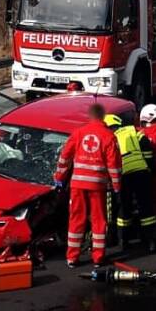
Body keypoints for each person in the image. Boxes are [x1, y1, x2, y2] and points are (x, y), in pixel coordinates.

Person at [53, 103, 122, 267]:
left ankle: (72, 257)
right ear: (103, 117)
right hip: (98, 185)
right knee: (99, 220)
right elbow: (114, 165)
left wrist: (59, 177)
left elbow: (65, 156)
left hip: (77, 183)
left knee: (76, 219)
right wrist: (116, 185)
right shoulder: (109, 136)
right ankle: (98, 258)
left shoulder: (78, 133)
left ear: (90, 116)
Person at [106, 113, 156, 253]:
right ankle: (150, 240)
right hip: (141, 173)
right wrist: (151, 170)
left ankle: (123, 241)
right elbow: (147, 151)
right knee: (145, 206)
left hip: (123, 176)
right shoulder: (134, 131)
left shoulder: (110, 138)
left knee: (124, 208)